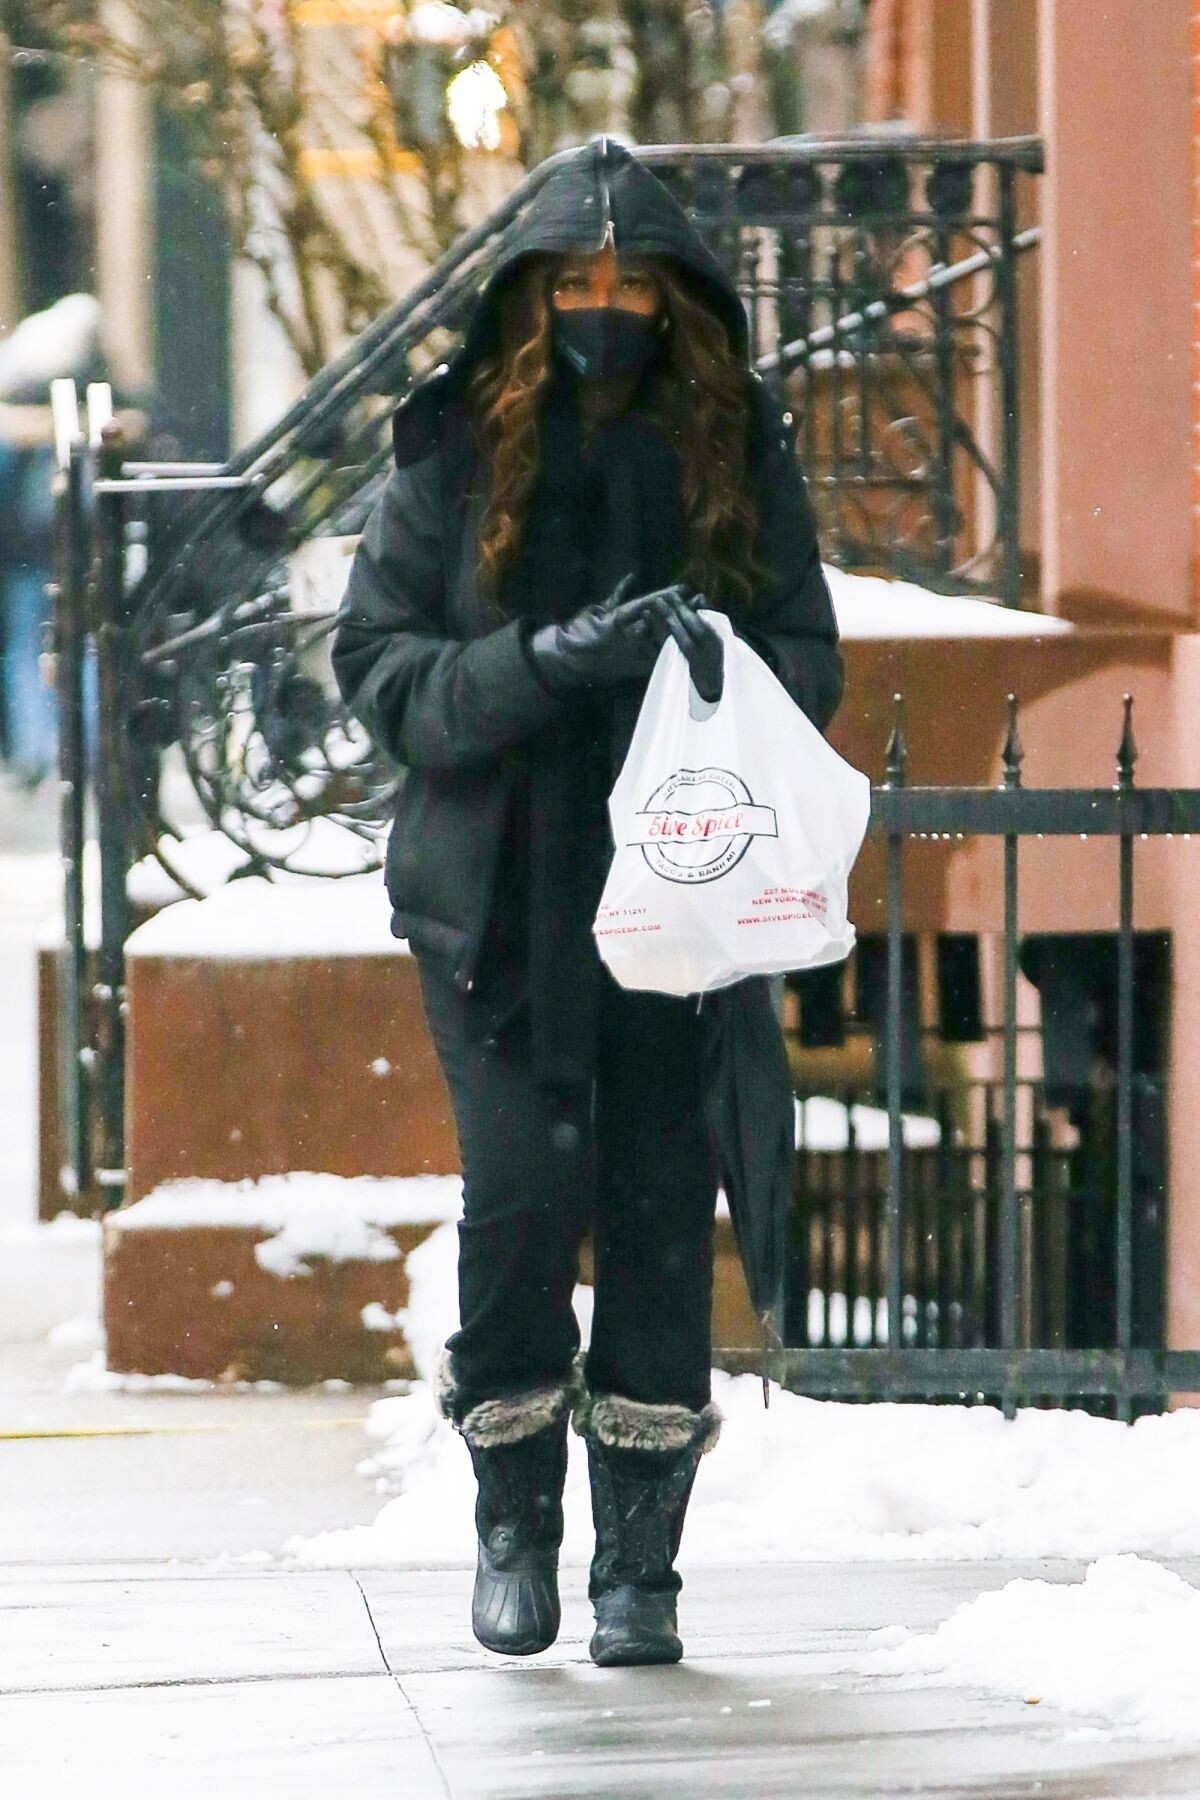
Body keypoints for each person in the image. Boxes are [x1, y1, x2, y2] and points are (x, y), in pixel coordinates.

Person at [333, 137, 843, 1667]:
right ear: (528, 298)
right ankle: (514, 1521)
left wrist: (708, 668)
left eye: (630, 283)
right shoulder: (450, 454)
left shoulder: (733, 450)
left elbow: (807, 657)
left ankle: (641, 1563)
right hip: (498, 910)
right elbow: (382, 673)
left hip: (682, 895)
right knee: (520, 1202)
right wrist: (545, 662)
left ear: (676, 299)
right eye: (574, 284)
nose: (603, 309)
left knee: (660, 1216)